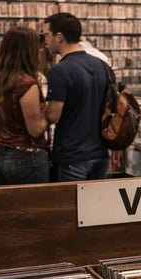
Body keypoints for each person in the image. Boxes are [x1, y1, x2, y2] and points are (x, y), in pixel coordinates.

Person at [42, 12, 110, 181]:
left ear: (59, 37)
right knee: (95, 206)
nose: (45, 41)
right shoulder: (101, 65)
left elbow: (52, 115)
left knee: (70, 206)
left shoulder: (60, 70)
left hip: (72, 155)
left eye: (47, 35)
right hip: (100, 152)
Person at [0, 27, 50, 185]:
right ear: (30, 51)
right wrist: (49, 115)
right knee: (35, 207)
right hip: (27, 157)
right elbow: (35, 129)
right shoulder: (26, 84)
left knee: (6, 209)